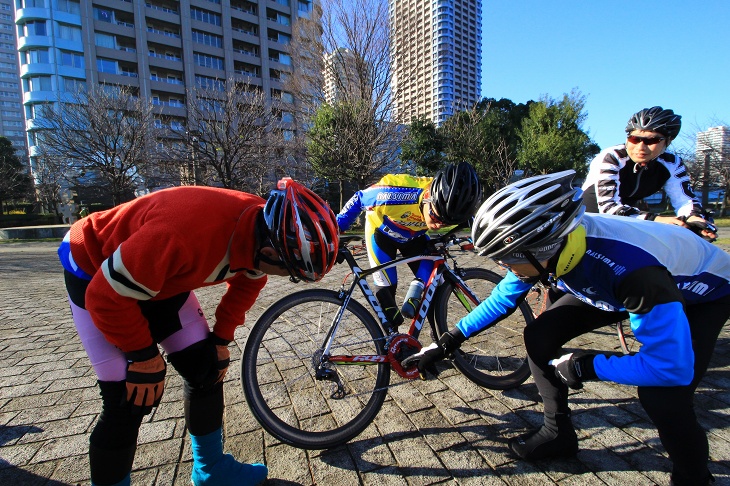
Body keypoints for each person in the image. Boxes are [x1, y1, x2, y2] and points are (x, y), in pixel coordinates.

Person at [403, 170, 730, 485]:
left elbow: (670, 368)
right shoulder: (552, 242)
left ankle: (693, 478)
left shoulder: (633, 273)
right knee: (539, 336)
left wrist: (586, 367)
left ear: (541, 249)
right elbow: (501, 300)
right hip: (608, 287)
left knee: (665, 397)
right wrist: (445, 343)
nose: (505, 269)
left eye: (507, 260)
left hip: (702, 293)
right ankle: (557, 433)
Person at [58, 178, 339, 486]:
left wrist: (220, 340)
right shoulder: (180, 234)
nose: (286, 277)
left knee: (207, 369)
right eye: (289, 272)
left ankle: (211, 471)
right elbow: (104, 298)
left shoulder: (262, 228)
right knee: (127, 399)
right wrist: (142, 356)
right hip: (96, 272)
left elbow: (249, 281)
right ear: (271, 253)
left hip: (161, 277)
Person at [336, 162, 482, 330]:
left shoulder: (453, 204)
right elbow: (360, 198)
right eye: (435, 217)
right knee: (387, 293)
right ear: (428, 196)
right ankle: (391, 341)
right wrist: (336, 229)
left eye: (445, 222)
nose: (437, 225)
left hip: (415, 236)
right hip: (381, 235)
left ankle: (441, 340)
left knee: (435, 290)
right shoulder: (396, 193)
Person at [582, 105, 717, 240]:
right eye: (634, 139)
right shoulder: (612, 157)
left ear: (668, 141)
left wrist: (694, 219)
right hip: (587, 220)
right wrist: (656, 219)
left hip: (625, 221)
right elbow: (608, 208)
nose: (640, 147)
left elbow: (685, 201)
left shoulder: (672, 163)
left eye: (651, 140)